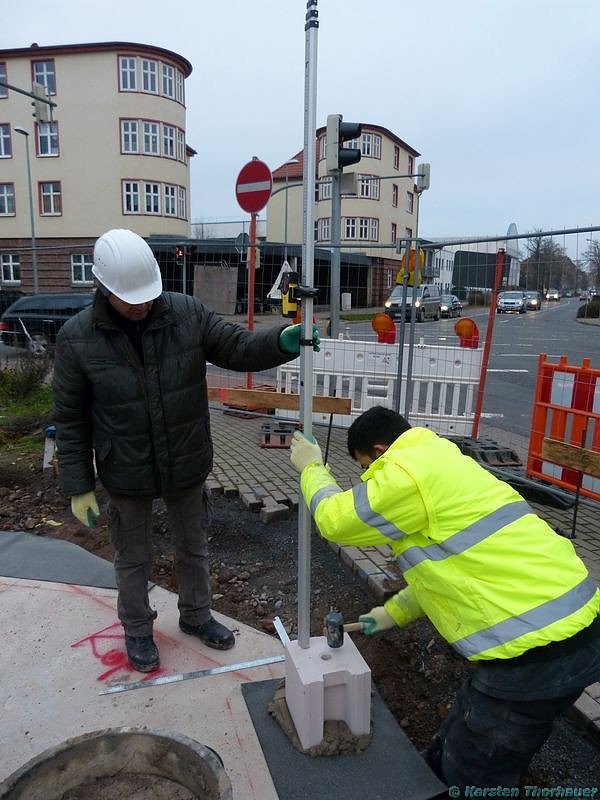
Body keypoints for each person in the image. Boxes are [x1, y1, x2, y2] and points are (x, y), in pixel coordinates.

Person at [290, 406, 600, 791]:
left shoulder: (405, 473)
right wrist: (391, 613)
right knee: (473, 728)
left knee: (478, 769)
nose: (367, 481)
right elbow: (448, 569)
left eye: (366, 469)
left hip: (533, 653)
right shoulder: (442, 459)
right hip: (576, 627)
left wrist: (311, 469)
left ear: (381, 450)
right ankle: (434, 776)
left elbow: (335, 520)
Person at [53, 228, 319, 673]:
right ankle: (138, 629)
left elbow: (236, 346)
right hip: (126, 469)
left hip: (186, 459)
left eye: (145, 296)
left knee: (193, 547)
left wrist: (279, 341)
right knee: (133, 558)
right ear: (103, 288)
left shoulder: (186, 313)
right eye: (128, 298)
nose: (139, 305)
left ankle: (196, 616)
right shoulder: (77, 338)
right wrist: (78, 485)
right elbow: (71, 417)